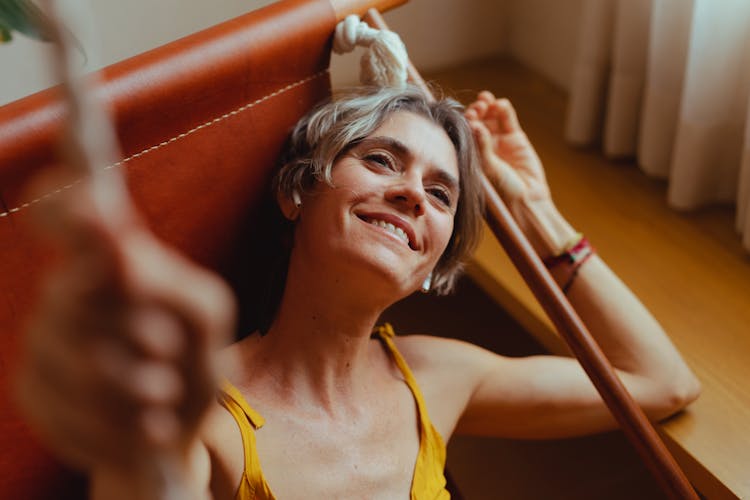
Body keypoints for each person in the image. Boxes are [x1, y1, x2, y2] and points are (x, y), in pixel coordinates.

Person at [15, 86, 701, 499]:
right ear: (297, 192)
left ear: (435, 259)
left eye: (441, 194)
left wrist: (533, 211)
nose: (411, 194)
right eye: (380, 160)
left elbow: (659, 381)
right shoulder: (203, 412)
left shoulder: (439, 378)